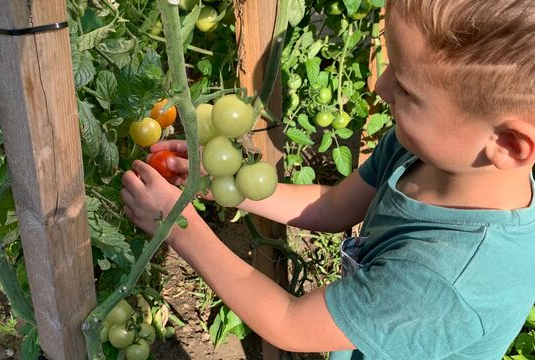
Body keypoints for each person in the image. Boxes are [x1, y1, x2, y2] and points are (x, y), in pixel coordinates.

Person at [120, 0, 535, 358]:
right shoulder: (421, 152)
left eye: (407, 90)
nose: (382, 85)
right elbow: (332, 206)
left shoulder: (447, 282)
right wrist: (224, 183)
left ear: (510, 145)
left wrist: (176, 227)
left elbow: (289, 322)